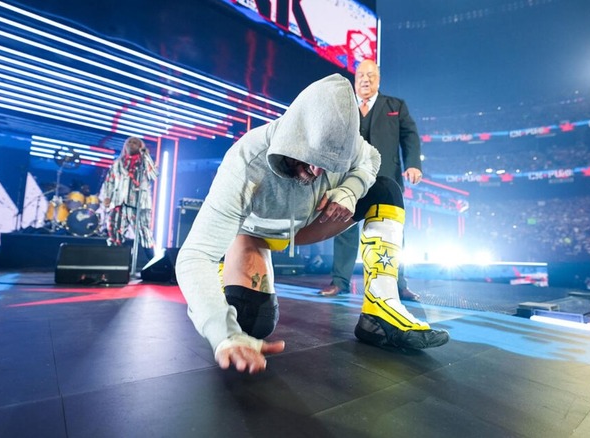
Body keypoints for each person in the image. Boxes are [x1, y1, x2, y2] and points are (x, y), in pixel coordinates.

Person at [175, 74, 449, 374]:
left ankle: (379, 313)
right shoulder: (244, 162)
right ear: (295, 134)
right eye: (310, 159)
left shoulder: (345, 143)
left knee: (385, 190)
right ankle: (225, 276)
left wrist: (349, 190)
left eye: (329, 163)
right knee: (251, 323)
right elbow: (194, 256)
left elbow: (371, 156)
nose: (318, 170)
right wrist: (224, 335)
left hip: (307, 224)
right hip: (255, 233)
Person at [319, 59, 423, 301]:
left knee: (391, 232)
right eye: (360, 76)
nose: (365, 79)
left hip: (386, 179)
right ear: (355, 81)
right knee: (342, 228)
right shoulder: (343, 108)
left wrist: (413, 164)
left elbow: (410, 135)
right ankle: (339, 282)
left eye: (370, 75)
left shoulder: (396, 106)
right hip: (348, 179)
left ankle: (398, 284)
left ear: (379, 79)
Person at [99, 136, 158, 251]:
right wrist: (106, 197)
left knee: (144, 233)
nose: (131, 144)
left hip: (139, 204)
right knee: (114, 230)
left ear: (140, 146)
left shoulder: (144, 162)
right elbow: (109, 182)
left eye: (135, 143)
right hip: (119, 202)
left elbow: (154, 175)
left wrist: (146, 156)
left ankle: (152, 261)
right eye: (129, 142)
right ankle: (114, 260)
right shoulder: (117, 163)